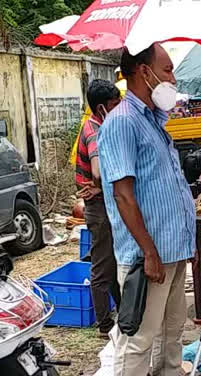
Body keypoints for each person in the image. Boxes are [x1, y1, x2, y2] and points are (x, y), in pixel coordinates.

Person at [98, 43, 196, 376]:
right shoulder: (121, 123)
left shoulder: (155, 120)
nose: (172, 79)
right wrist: (149, 252)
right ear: (143, 72)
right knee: (137, 341)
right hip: (149, 256)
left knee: (172, 330)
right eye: (168, 70)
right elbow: (123, 195)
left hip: (173, 251)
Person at [75, 79, 122, 339]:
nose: (118, 109)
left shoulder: (100, 126)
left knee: (113, 263)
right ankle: (104, 325)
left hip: (104, 204)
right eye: (115, 105)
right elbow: (97, 172)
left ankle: (123, 313)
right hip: (99, 208)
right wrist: (102, 186)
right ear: (103, 107)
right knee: (103, 267)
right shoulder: (94, 130)